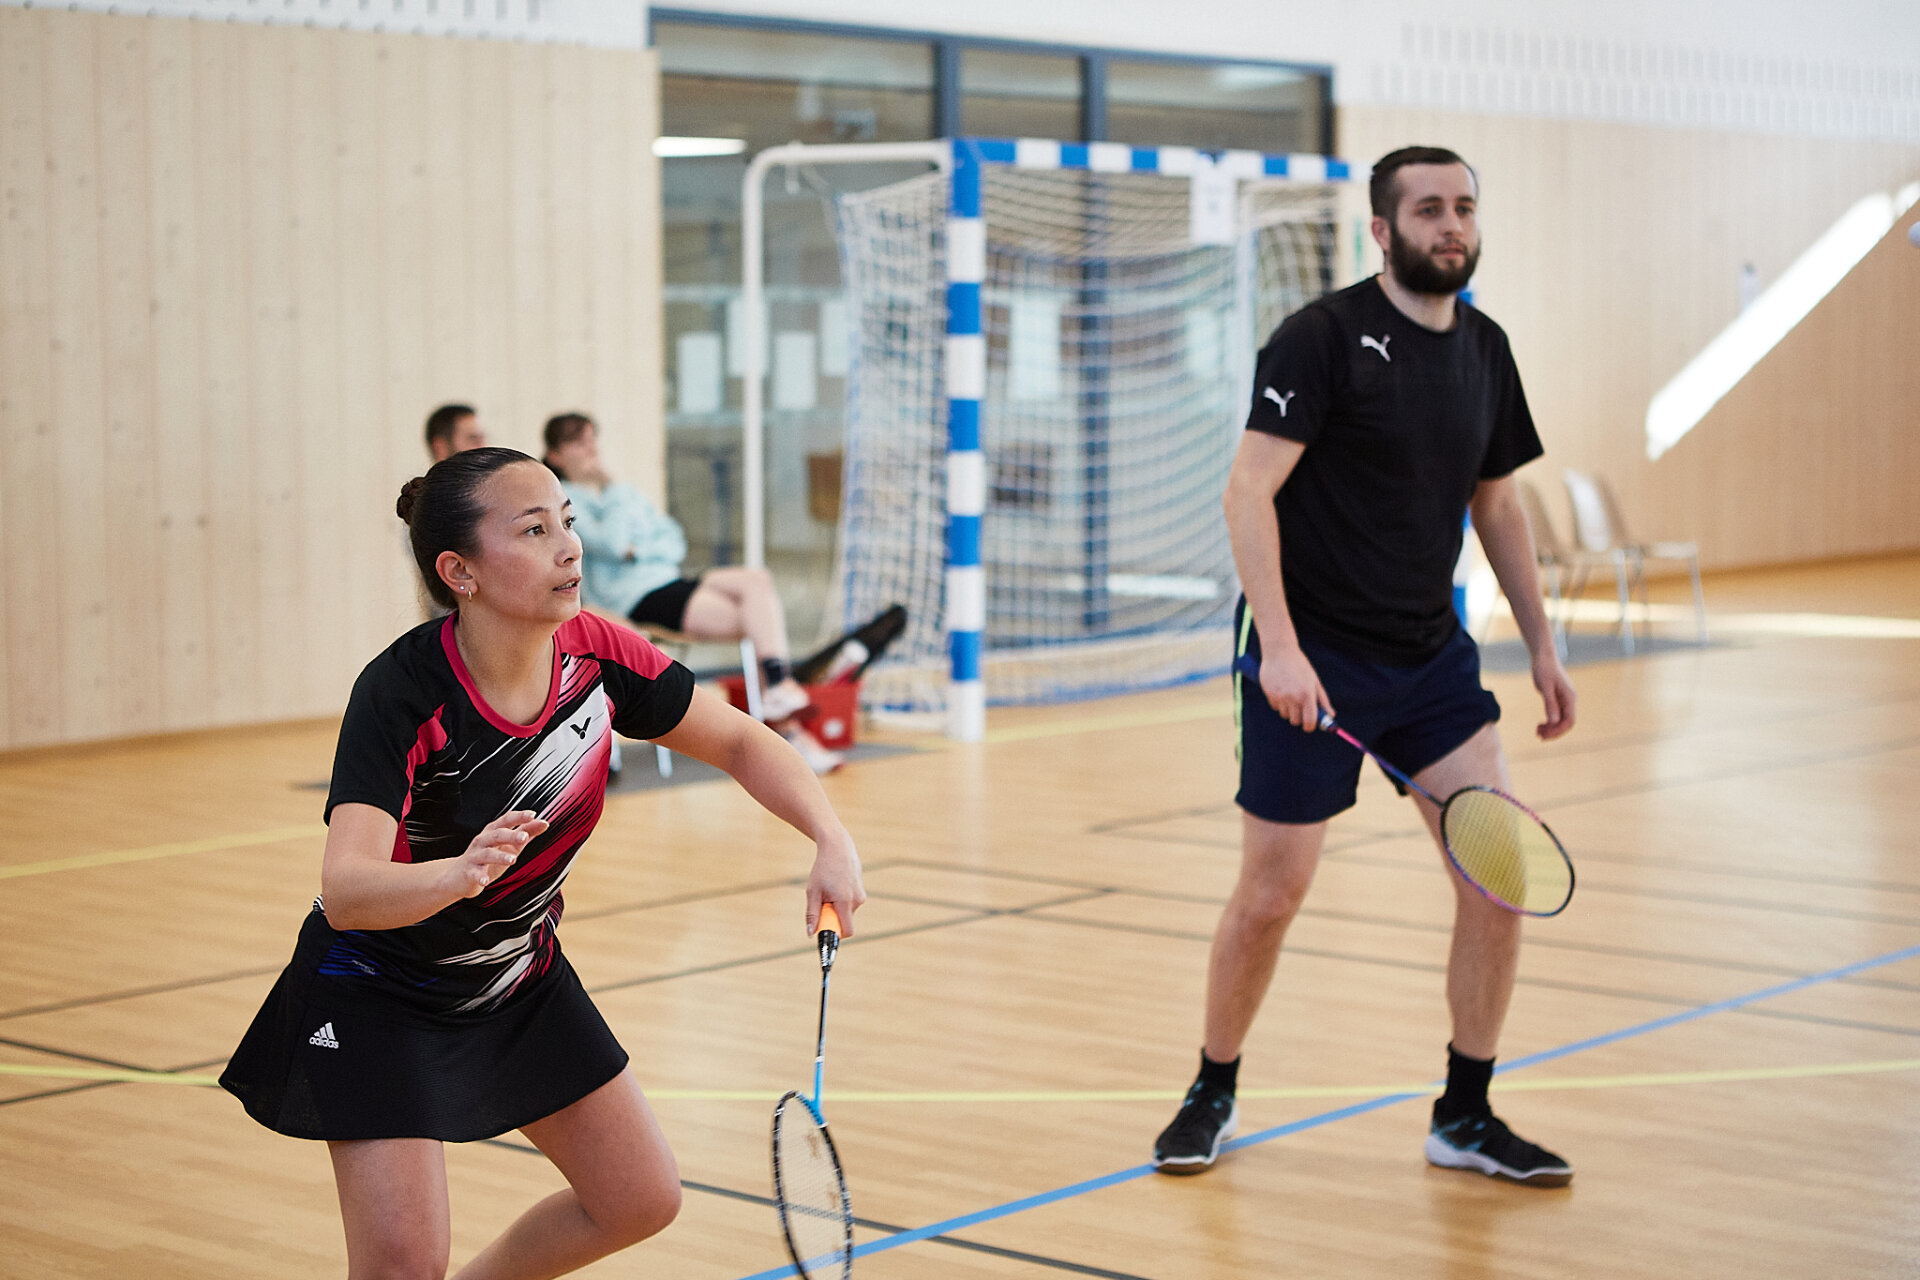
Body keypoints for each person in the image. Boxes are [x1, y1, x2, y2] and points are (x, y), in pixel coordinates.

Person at [219, 446, 865, 1278]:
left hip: (514, 976)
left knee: (638, 1197)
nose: (569, 547)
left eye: (567, 521)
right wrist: (454, 877)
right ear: (460, 572)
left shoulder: (596, 656)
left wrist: (829, 837)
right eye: (534, 530)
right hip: (378, 988)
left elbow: (741, 741)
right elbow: (346, 891)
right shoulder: (402, 694)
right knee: (403, 1266)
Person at [1150, 146, 1578, 1186]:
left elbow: (1497, 503)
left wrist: (1544, 643)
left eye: (1464, 206)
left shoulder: (1486, 350)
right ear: (1382, 231)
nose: (1451, 225)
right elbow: (1247, 492)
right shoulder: (1323, 339)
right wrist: (1281, 648)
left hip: (1429, 661)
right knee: (1273, 891)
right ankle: (1212, 1087)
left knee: (1499, 878)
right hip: (1312, 658)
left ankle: (1464, 1114)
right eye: (1428, 209)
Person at [541, 411, 816, 727]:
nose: (592, 449)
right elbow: (613, 544)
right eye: (579, 443)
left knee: (757, 582)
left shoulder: (627, 494)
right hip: (636, 598)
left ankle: (779, 689)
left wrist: (638, 552)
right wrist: (610, 488)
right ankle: (782, 709)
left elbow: (674, 540)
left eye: (592, 440)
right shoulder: (567, 501)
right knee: (756, 620)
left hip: (669, 580)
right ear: (556, 455)